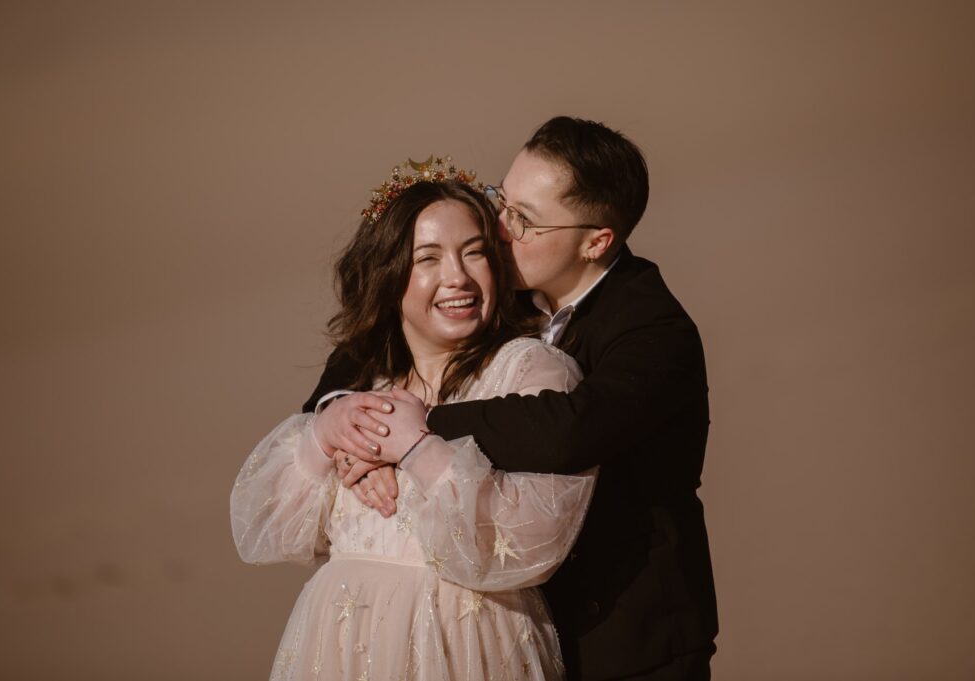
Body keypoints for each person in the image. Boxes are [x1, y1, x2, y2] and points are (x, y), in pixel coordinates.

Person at [306, 118, 718, 680]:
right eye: (504, 201)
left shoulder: (654, 332)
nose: (500, 228)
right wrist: (345, 417)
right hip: (512, 624)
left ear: (596, 241)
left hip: (627, 636)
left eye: (525, 220)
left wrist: (413, 430)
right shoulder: (516, 289)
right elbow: (375, 336)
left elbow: (569, 430)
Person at [230, 157, 596, 681]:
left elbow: (536, 539)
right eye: (427, 258)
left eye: (475, 253)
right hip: (341, 650)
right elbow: (269, 529)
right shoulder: (361, 384)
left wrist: (417, 450)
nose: (457, 277)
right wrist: (322, 435)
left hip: (467, 649)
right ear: (388, 275)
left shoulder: (533, 372)